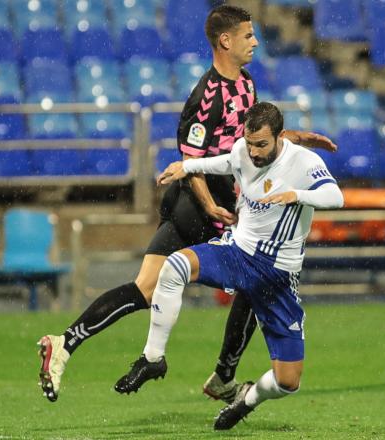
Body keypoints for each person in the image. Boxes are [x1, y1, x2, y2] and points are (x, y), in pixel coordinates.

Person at [37, 5, 336, 403]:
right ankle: (224, 377)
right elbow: (191, 161)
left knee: (145, 289)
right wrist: (211, 206)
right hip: (198, 207)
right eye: (248, 36)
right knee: (256, 281)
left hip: (199, 206)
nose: (255, 42)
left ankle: (64, 344)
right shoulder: (206, 96)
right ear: (225, 41)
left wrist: (294, 137)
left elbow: (248, 138)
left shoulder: (245, 84)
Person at [115, 102, 344, 430]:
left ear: (280, 137)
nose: (253, 152)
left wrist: (297, 195)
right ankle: (153, 358)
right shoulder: (243, 151)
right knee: (176, 265)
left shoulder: (304, 162)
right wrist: (188, 167)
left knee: (287, 382)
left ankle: (247, 399)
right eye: (249, 143)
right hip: (239, 254)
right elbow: (226, 160)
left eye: (261, 144)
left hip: (276, 275)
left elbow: (336, 196)